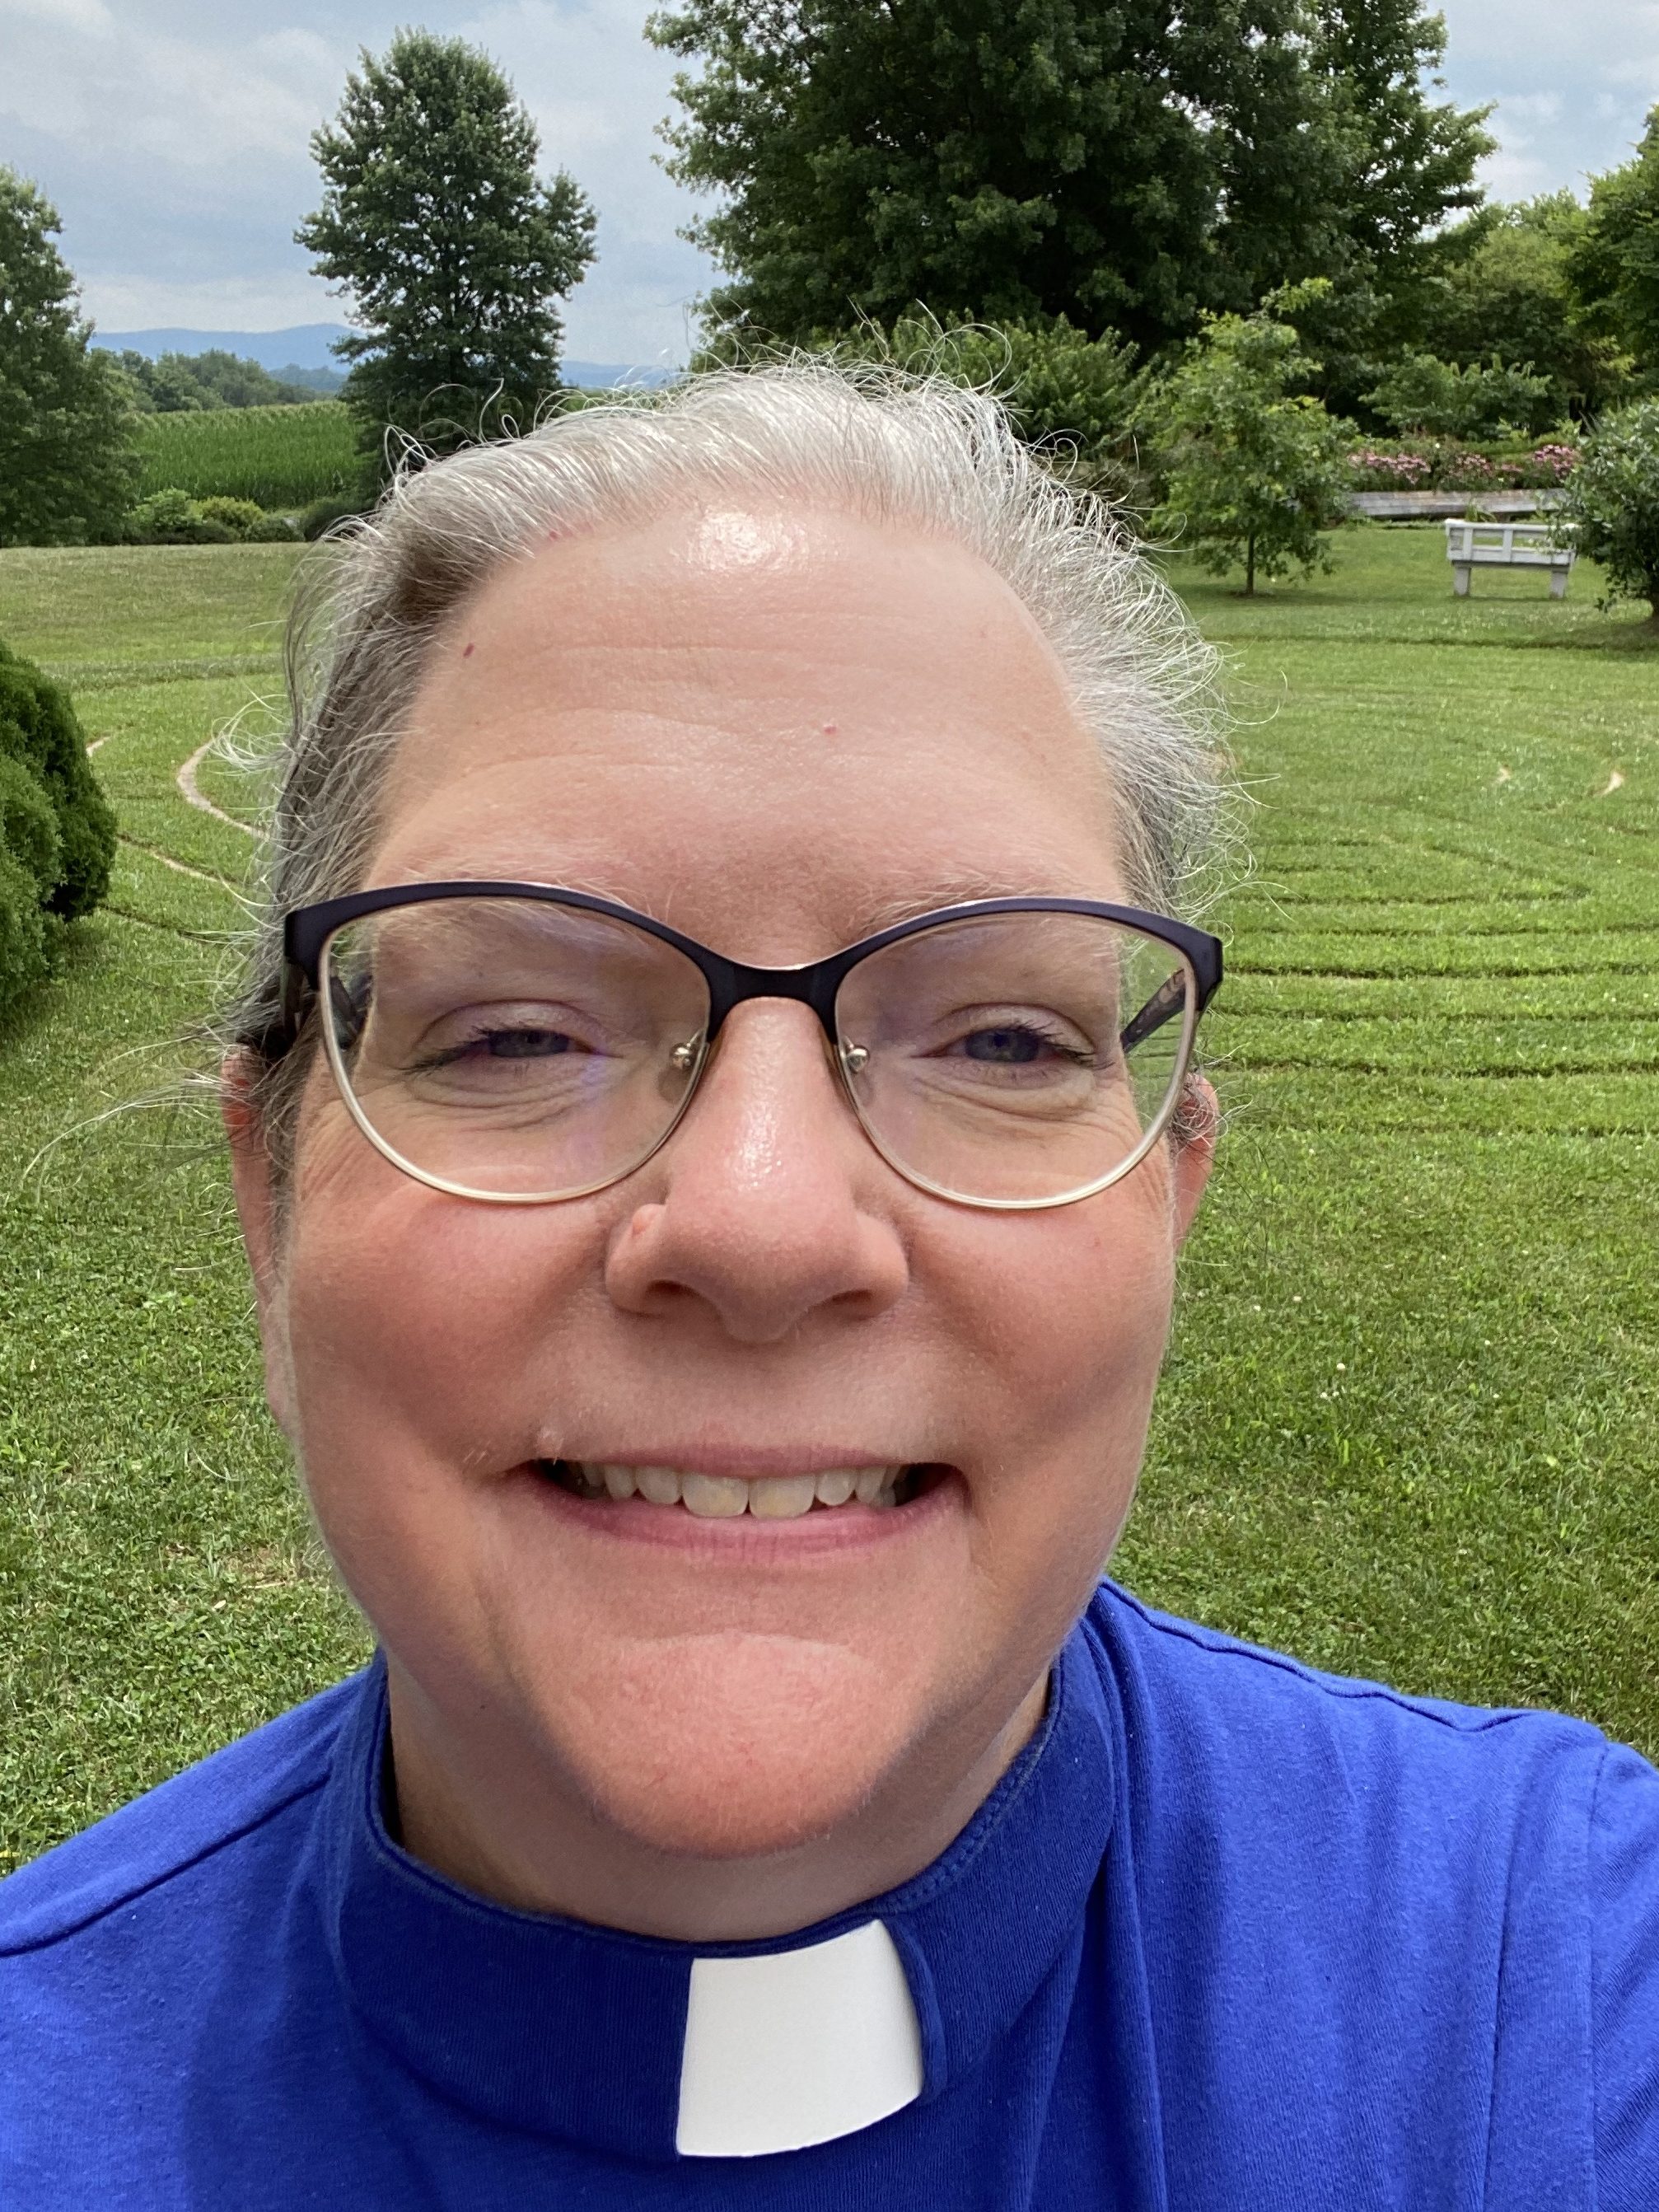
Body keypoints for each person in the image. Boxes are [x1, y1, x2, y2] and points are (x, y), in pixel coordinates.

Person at [2, 362, 1656, 2210]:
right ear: (268, 1192)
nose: (764, 1224)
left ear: (1167, 1202)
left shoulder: (1554, 1994)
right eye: (521, 1028)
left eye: (1007, 1036)